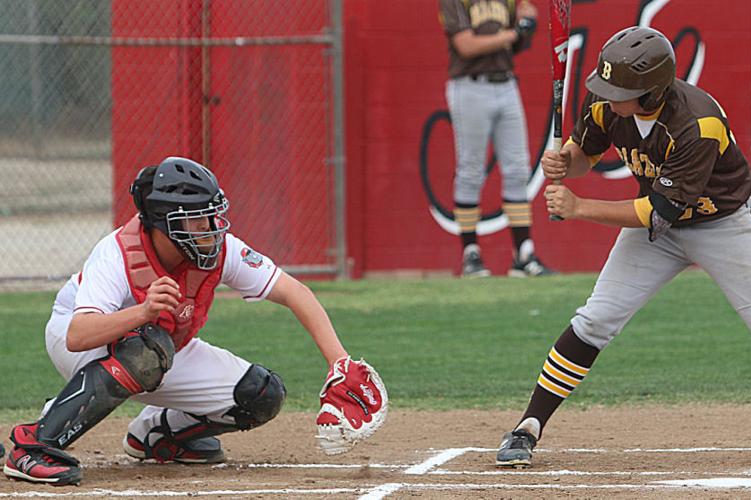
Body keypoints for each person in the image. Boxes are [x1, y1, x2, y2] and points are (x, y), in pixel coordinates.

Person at [495, 26, 751, 468]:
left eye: (618, 89)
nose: (606, 95)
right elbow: (584, 155)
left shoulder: (696, 122)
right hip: (658, 226)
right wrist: (565, 161)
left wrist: (578, 206)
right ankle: (527, 428)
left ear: (651, 91)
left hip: (723, 223)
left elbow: (656, 212)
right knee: (595, 320)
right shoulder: (606, 103)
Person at [2, 157, 387, 486]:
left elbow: (294, 292)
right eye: (198, 220)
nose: (211, 228)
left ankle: (158, 434)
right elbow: (77, 335)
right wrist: (142, 312)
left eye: (211, 216)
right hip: (85, 343)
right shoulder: (117, 253)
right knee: (145, 351)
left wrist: (339, 361)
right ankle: (33, 444)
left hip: (161, 348)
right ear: (165, 223)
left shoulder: (221, 249)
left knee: (260, 395)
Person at [438, 0, 554, 277]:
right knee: (471, 170)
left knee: (517, 169)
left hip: (506, 82)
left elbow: (516, 45)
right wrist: (514, 32)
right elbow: (466, 46)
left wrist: (526, 25)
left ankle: (523, 253)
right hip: (470, 84)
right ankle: (471, 254)